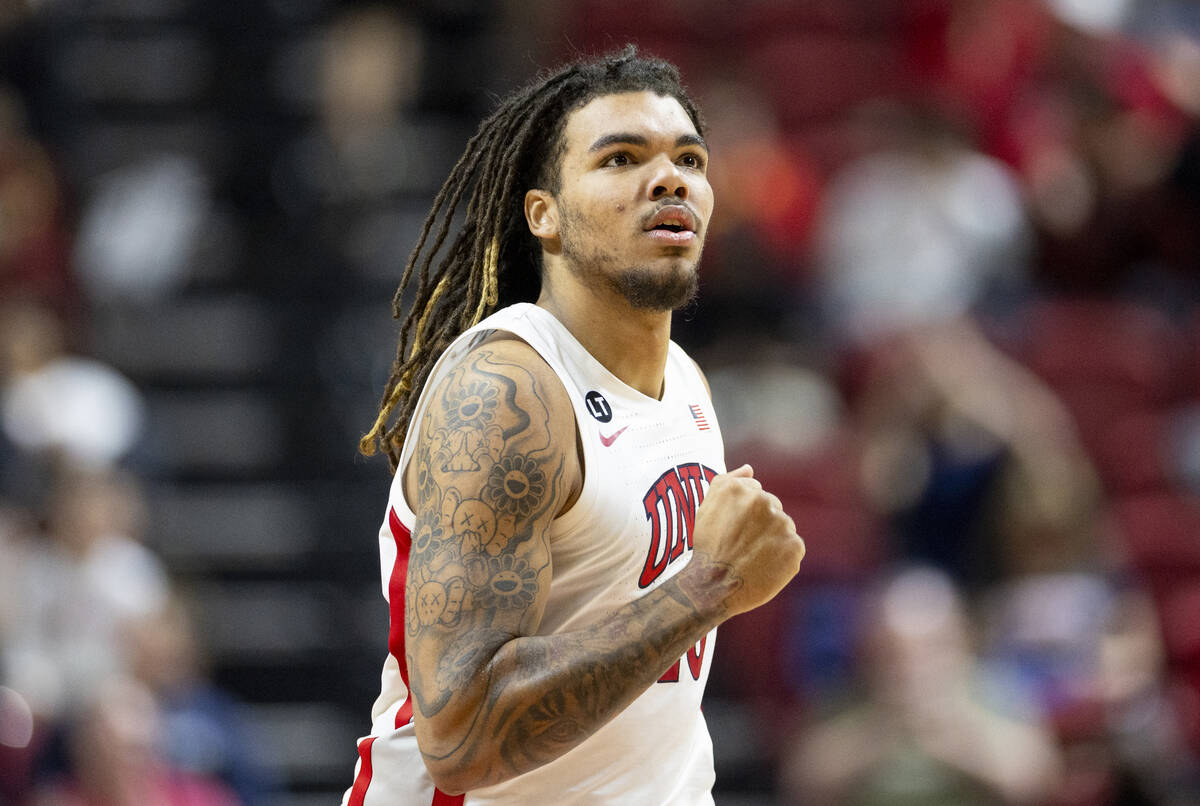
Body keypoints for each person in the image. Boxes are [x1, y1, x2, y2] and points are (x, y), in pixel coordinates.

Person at [344, 47, 806, 805]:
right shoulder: (509, 393)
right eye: (621, 158)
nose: (669, 179)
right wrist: (706, 589)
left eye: (689, 157)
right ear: (544, 215)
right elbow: (460, 740)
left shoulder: (684, 379)